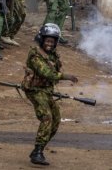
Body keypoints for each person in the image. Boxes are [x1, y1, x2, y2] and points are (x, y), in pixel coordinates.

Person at [24, 23, 78, 165]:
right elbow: (46, 72)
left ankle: (39, 148)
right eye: (47, 41)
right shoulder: (35, 53)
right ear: (41, 39)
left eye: (52, 42)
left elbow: (53, 71)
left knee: (56, 119)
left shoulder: (53, 55)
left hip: (47, 91)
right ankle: (37, 153)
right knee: (46, 117)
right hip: (35, 91)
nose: (49, 44)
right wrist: (65, 76)